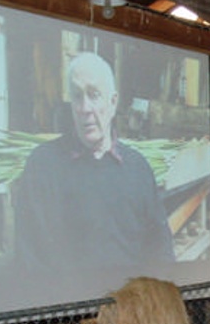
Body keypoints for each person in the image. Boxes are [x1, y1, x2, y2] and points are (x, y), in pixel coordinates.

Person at [12, 52, 174, 304]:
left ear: (113, 102)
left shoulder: (138, 168)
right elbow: (30, 256)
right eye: (77, 96)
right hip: (66, 314)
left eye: (94, 95)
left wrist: (152, 304)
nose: (85, 108)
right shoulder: (43, 165)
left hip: (132, 313)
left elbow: (160, 246)